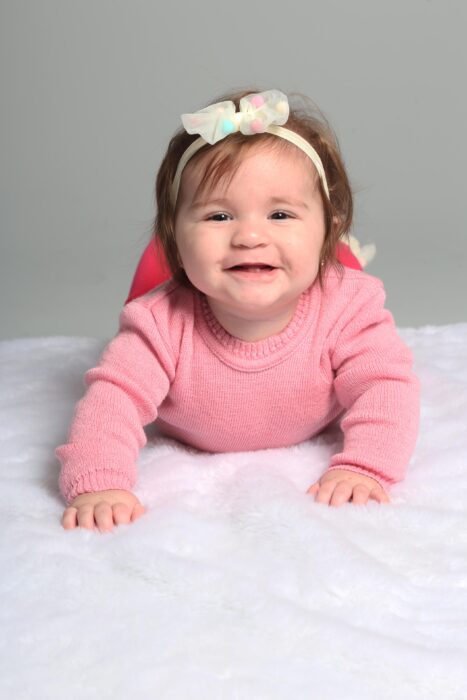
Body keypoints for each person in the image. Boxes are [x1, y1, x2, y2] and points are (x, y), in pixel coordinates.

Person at [56, 88, 420, 532]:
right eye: (219, 216)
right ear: (173, 239)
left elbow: (385, 388)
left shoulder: (348, 306)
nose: (249, 237)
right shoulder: (158, 324)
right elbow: (112, 403)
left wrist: (365, 467)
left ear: (329, 231)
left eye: (280, 215)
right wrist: (99, 483)